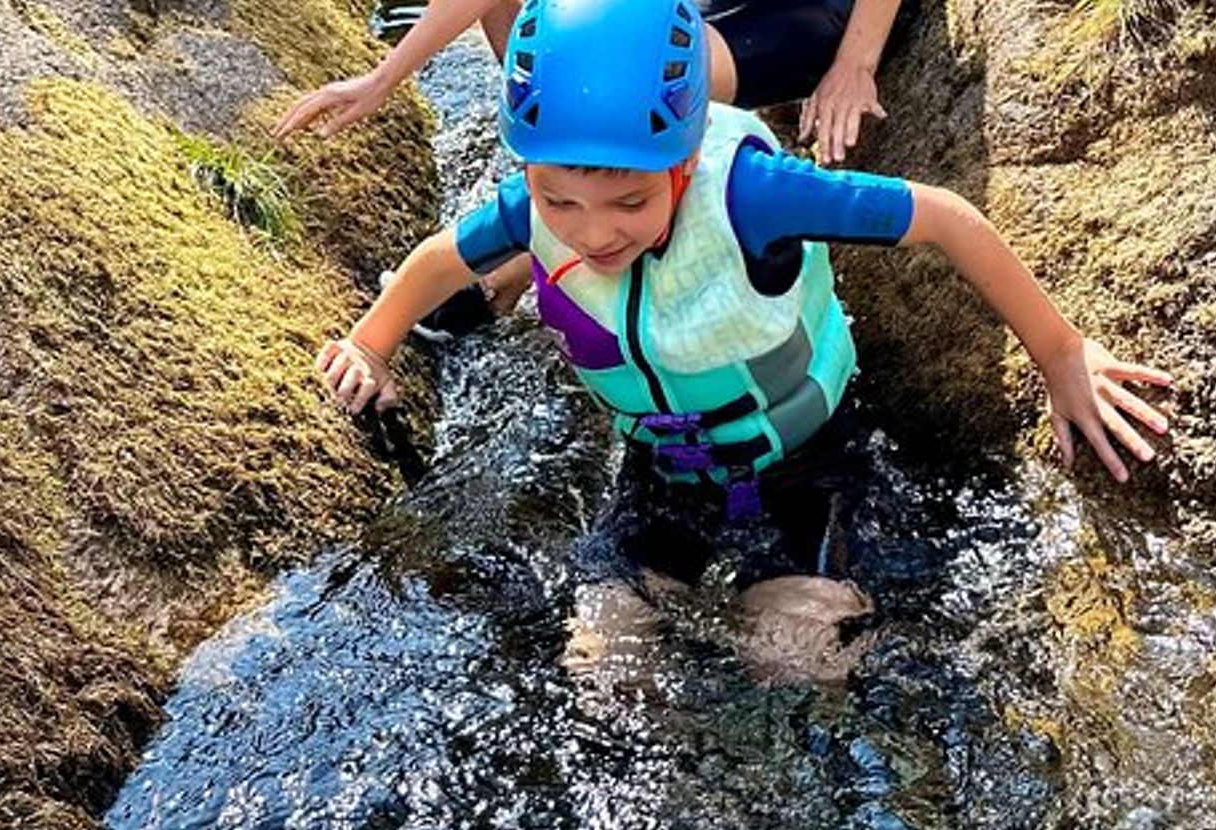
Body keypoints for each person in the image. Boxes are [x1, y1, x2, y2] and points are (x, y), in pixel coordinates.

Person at [313, 0, 1171, 686]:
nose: (591, 234)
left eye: (628, 204)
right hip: (660, 473)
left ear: (684, 163)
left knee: (793, 660)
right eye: (560, 203)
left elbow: (945, 218)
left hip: (806, 467)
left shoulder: (753, 192)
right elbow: (438, 259)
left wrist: (1062, 356)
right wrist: (370, 344)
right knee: (604, 674)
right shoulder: (539, 199)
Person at [277, 0, 917, 340]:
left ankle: (524, 257)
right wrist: (385, 77)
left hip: (800, 11)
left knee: (647, 95)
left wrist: (855, 61)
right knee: (548, 29)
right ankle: (560, 195)